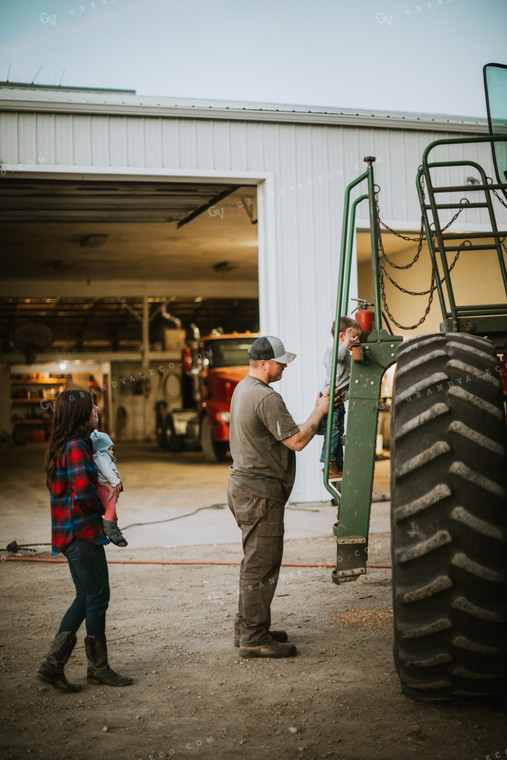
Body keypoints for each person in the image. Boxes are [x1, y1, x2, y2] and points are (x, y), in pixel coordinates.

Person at [228, 335, 331, 659]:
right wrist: (319, 411)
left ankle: (247, 627)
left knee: (254, 562)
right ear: (263, 363)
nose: (285, 365)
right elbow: (297, 441)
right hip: (260, 494)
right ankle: (254, 637)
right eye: (280, 361)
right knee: (262, 565)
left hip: (246, 489)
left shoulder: (243, 389)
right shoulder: (265, 397)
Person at [37, 389, 132, 692]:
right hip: (81, 533)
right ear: (79, 413)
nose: (96, 409)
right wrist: (107, 507)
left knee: (85, 597)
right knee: (98, 597)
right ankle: (97, 668)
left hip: (72, 533)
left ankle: (53, 665)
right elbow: (83, 492)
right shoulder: (76, 446)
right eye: (90, 406)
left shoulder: (69, 444)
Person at [320, 317, 361, 481]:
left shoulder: (347, 354)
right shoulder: (333, 351)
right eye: (354, 337)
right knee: (332, 431)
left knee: (338, 431)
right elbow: (339, 356)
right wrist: (346, 344)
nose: (357, 340)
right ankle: (328, 464)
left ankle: (337, 464)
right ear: (342, 336)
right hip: (329, 398)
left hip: (338, 399)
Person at [90, 430, 128, 547]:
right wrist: (116, 482)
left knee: (112, 511)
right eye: (110, 448)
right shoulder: (101, 457)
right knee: (110, 508)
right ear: (102, 448)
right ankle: (111, 531)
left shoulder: (104, 457)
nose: (112, 451)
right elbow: (107, 472)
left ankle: (114, 530)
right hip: (104, 489)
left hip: (106, 488)